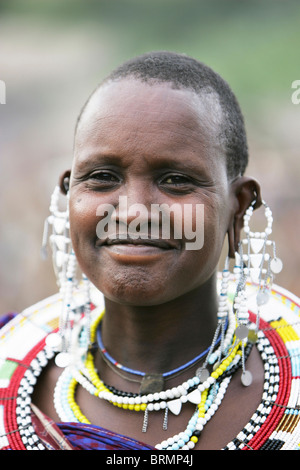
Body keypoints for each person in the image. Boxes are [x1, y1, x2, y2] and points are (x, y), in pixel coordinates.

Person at [1, 51, 299, 451]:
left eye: (175, 180)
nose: (135, 211)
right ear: (69, 193)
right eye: (102, 177)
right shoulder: (11, 369)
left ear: (239, 207)